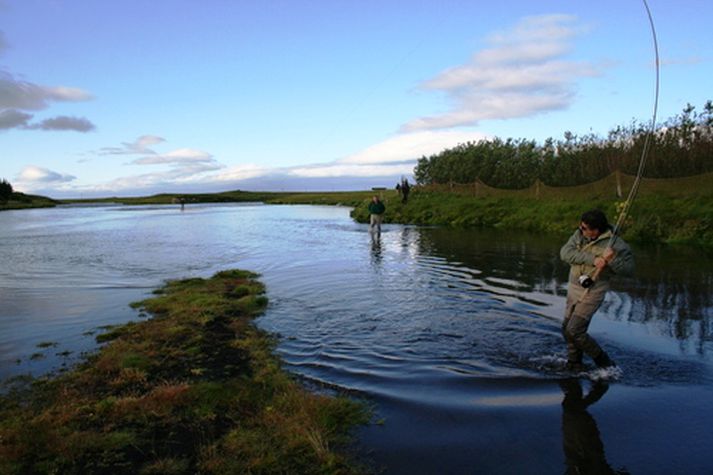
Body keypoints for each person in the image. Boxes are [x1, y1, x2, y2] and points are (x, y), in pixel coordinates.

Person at [560, 209, 634, 370]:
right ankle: (574, 363)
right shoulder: (579, 235)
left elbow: (629, 269)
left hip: (594, 291)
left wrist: (612, 259)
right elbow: (565, 253)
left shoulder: (617, 244)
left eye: (585, 228)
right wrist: (594, 260)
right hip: (574, 287)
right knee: (566, 329)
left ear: (597, 229)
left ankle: (605, 364)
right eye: (581, 227)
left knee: (575, 330)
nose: (582, 230)